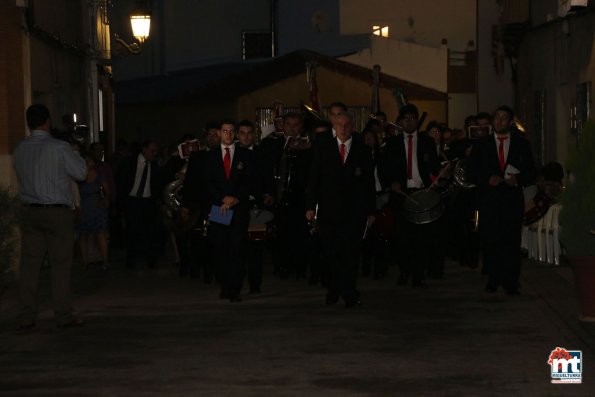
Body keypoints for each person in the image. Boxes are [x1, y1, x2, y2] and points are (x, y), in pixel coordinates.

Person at [13, 104, 88, 329]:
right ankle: (63, 314)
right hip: (56, 212)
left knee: (29, 265)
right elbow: (81, 173)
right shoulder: (59, 147)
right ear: (47, 121)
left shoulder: (20, 148)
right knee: (61, 264)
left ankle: (27, 315)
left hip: (30, 211)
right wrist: (75, 151)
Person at [306, 112, 376, 307]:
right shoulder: (323, 148)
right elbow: (314, 179)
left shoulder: (362, 150)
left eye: (347, 125)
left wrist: (371, 211)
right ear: (334, 127)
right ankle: (333, 289)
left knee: (350, 255)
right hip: (329, 212)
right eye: (340, 125)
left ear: (352, 126)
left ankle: (349, 292)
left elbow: (369, 183)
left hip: (354, 213)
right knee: (330, 254)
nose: (343, 129)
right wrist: (310, 206)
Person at [467, 105, 536, 295]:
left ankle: (511, 282)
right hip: (489, 200)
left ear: (510, 122)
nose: (500, 121)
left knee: (512, 242)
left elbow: (531, 171)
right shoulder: (482, 145)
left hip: (512, 200)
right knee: (491, 240)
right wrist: (487, 179)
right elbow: (471, 172)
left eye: (504, 118)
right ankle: (493, 278)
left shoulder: (521, 144)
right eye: (497, 118)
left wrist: (517, 179)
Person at [383, 104, 441, 287]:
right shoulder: (392, 143)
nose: (410, 122)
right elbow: (384, 169)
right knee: (402, 237)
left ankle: (418, 274)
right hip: (401, 195)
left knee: (421, 238)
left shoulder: (427, 142)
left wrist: (439, 175)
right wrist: (391, 182)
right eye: (406, 118)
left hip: (422, 194)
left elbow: (434, 168)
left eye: (413, 118)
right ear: (400, 122)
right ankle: (404, 271)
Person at [204, 120, 254, 302]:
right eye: (225, 131)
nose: (228, 134)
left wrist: (234, 198)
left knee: (237, 248)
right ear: (219, 133)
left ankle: (234, 288)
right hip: (219, 208)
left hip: (238, 208)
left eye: (232, 131)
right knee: (220, 247)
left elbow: (248, 181)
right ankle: (225, 283)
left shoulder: (245, 155)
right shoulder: (211, 156)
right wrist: (222, 199)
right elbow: (208, 183)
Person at [116, 140, 163, 269]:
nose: (154, 154)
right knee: (132, 230)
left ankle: (150, 260)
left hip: (147, 201)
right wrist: (122, 201)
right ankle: (131, 260)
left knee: (150, 231)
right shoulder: (130, 162)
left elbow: (157, 183)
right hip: (132, 199)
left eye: (155, 151)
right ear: (144, 149)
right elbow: (121, 181)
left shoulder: (154, 165)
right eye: (151, 151)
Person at [77, 153, 110, 270]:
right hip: (84, 208)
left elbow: (107, 191)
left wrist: (105, 200)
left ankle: (105, 261)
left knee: (100, 234)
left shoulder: (99, 175)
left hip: (97, 208)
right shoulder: (79, 177)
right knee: (83, 235)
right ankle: (85, 261)